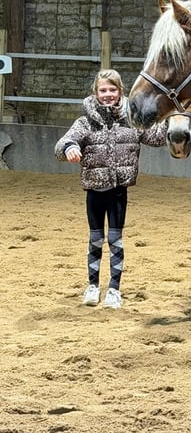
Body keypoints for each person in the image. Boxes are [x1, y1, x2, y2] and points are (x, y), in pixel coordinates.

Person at [55, 69, 167, 309]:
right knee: (95, 239)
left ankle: (114, 289)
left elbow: (157, 138)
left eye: (112, 90)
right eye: (103, 90)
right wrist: (69, 148)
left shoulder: (133, 121)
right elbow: (63, 143)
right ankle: (93, 286)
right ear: (96, 92)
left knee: (115, 240)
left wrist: (167, 117)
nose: (108, 94)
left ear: (121, 91)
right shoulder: (85, 123)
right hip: (94, 191)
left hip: (118, 191)